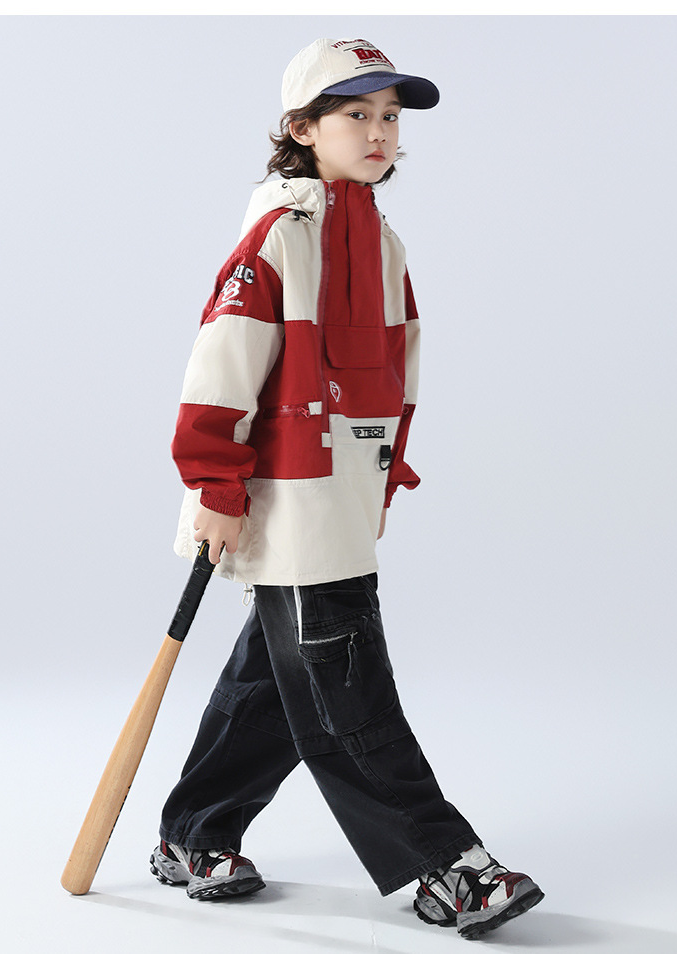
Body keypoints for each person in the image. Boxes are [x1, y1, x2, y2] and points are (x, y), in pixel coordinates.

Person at [150, 37, 544, 940]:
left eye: (390, 117)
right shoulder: (280, 236)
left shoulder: (381, 237)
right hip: (287, 502)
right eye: (356, 114)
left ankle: (192, 834)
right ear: (302, 129)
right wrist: (214, 483)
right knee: (346, 687)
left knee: (276, 684)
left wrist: (381, 480)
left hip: (343, 503)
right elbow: (221, 368)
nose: (379, 132)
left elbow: (393, 377)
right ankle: (447, 866)